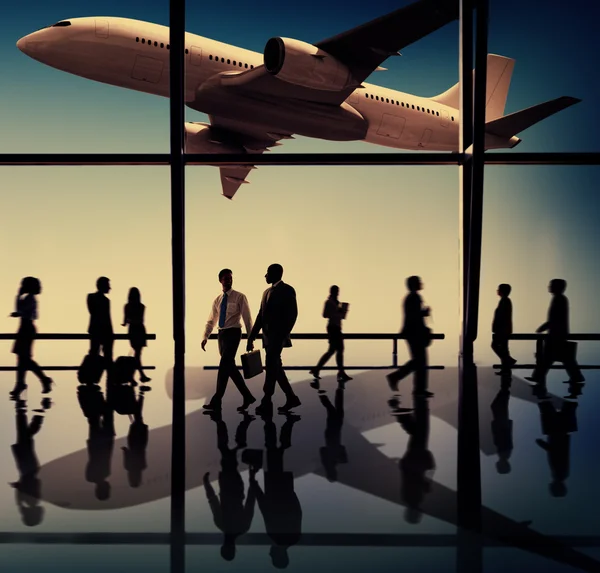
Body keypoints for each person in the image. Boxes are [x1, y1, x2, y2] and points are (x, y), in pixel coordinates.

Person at [247, 264, 301, 416]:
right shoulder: (266, 292)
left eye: (267, 273)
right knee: (276, 368)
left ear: (275, 274)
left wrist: (283, 335)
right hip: (268, 338)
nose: (265, 276)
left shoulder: (287, 290)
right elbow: (260, 316)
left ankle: (266, 400)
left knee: (271, 367)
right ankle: (291, 397)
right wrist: (252, 336)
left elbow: (293, 314)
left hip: (277, 338)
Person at [202, 269, 256, 412]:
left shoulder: (240, 297)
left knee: (224, 364)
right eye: (226, 278)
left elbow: (247, 319)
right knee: (229, 367)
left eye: (230, 278)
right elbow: (211, 320)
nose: (229, 280)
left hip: (233, 333)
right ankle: (248, 396)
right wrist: (205, 336)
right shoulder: (217, 300)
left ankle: (216, 400)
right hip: (221, 335)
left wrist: (250, 339)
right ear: (220, 280)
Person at [526, 279, 584, 385]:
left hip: (556, 334)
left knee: (551, 357)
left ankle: (538, 377)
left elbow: (555, 318)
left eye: (551, 285)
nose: (549, 287)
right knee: (558, 358)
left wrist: (543, 327)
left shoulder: (559, 299)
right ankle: (576, 377)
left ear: (557, 287)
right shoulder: (560, 299)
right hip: (558, 333)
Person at [386, 276, 432, 397]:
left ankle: (417, 388)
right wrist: (424, 313)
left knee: (418, 361)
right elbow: (415, 316)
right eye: (418, 282)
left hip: (411, 332)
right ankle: (399, 379)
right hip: (415, 333)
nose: (421, 283)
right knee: (420, 361)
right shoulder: (414, 298)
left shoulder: (410, 298)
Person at [9, 277, 52, 398]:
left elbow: (21, 311)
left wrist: (18, 297)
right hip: (25, 328)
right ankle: (22, 383)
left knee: (24, 359)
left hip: (26, 329)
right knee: (22, 359)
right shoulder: (30, 298)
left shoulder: (30, 298)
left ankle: (40, 380)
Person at [309, 286, 352, 383]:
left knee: (333, 350)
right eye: (336, 291)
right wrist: (337, 312)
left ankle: (318, 369)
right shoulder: (328, 302)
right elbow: (325, 315)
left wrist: (342, 312)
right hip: (333, 328)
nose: (337, 293)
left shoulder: (336, 303)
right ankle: (340, 372)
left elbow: (339, 316)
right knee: (338, 349)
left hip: (336, 327)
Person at [122, 287, 151, 383]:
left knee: (137, 355)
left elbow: (125, 321)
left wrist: (128, 321)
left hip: (133, 330)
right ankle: (140, 375)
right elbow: (141, 320)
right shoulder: (141, 306)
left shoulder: (127, 306)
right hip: (140, 330)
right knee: (138, 354)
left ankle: (134, 376)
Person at [87, 277, 114, 364]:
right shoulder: (105, 301)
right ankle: (109, 377)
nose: (110, 288)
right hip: (104, 331)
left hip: (96, 330)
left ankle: (91, 376)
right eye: (108, 285)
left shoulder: (91, 297)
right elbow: (106, 318)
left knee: (94, 354)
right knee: (107, 357)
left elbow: (94, 312)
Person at [491, 283, 517, 374]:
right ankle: (506, 369)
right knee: (504, 349)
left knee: (495, 346)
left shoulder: (505, 301)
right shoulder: (505, 300)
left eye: (498, 289)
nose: (497, 291)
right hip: (503, 330)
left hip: (502, 330)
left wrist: (497, 328)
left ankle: (509, 361)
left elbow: (501, 317)